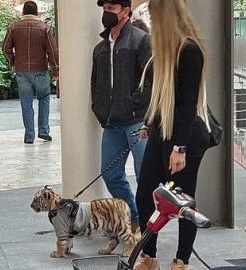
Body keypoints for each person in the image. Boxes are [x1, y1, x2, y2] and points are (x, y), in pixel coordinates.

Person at [133, 1, 211, 269]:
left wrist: (181, 147)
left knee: (183, 202)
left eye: (153, 17)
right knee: (145, 194)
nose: (150, 22)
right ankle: (149, 255)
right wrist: (148, 124)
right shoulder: (164, 51)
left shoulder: (189, 50)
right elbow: (162, 96)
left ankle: (182, 261)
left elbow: (187, 103)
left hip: (184, 136)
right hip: (161, 131)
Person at [91, 0, 152, 235]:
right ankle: (135, 218)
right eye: (104, 8)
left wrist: (136, 103)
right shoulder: (101, 47)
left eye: (111, 8)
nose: (106, 13)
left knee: (144, 175)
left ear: (125, 12)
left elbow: (151, 79)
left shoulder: (140, 40)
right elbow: (95, 82)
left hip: (137, 121)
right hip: (112, 124)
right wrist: (99, 108)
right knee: (110, 174)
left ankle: (148, 227)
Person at [2, 1, 59, 144]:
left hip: (21, 70)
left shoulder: (13, 27)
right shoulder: (45, 28)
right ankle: (44, 131)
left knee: (26, 102)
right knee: (44, 99)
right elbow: (52, 50)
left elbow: (5, 48)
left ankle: (29, 135)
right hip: (40, 69)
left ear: (23, 12)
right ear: (37, 12)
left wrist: (13, 61)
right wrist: (56, 68)